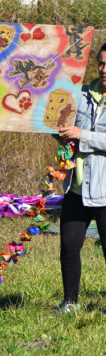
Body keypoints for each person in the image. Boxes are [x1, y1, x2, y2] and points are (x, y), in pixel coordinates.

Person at [56, 43, 106, 314]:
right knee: (69, 246)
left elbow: (82, 135)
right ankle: (69, 303)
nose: (103, 69)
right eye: (100, 63)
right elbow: (65, 127)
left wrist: (82, 136)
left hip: (104, 189)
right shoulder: (82, 94)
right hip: (76, 187)